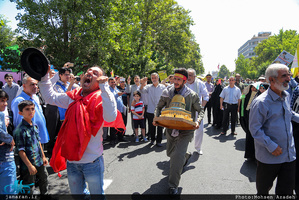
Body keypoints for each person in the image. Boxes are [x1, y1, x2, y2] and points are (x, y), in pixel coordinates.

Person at [39, 65, 119, 194]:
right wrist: (45, 76)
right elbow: (50, 97)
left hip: (92, 162)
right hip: (72, 161)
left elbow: (110, 117)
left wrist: (105, 87)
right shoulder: (73, 97)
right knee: (78, 196)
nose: (89, 73)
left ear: (100, 80)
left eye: (94, 73)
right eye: (88, 72)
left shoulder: (101, 98)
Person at [249, 63, 299, 195]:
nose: (289, 78)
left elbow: (290, 114)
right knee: (263, 192)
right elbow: (255, 129)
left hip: (289, 156)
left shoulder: (286, 96)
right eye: (284, 76)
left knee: (286, 192)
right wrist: (271, 146)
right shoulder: (261, 102)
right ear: (271, 80)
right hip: (269, 157)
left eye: (289, 75)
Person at [154, 68, 204, 194]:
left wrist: (198, 121)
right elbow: (158, 107)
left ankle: (173, 186)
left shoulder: (192, 95)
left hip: (186, 130)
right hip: (170, 128)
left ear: (184, 81)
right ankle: (186, 156)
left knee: (176, 156)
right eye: (174, 78)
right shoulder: (167, 92)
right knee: (170, 154)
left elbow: (201, 110)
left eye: (178, 79)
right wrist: (156, 117)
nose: (175, 81)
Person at [14, 100, 49, 194]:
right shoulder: (20, 130)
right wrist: (29, 166)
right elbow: (21, 151)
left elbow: (38, 142)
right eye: (27, 109)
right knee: (29, 185)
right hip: (28, 164)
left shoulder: (34, 125)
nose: (31, 111)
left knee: (44, 179)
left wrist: (43, 156)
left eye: (33, 109)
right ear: (20, 113)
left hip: (39, 160)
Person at [11, 75, 49, 144]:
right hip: (29, 141)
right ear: (24, 86)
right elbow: (19, 123)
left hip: (39, 138)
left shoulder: (34, 98)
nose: (35, 87)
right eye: (32, 84)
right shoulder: (19, 101)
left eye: (36, 84)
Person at [186, 68, 209, 155]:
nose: (189, 77)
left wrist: (201, 107)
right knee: (185, 129)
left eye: (190, 75)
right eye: (187, 75)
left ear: (195, 76)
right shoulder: (183, 83)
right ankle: (185, 148)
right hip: (186, 110)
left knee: (200, 129)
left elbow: (206, 96)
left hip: (197, 110)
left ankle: (198, 147)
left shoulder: (200, 84)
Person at [140, 73, 166, 147]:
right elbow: (141, 90)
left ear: (158, 78)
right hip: (151, 110)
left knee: (160, 126)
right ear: (151, 79)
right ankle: (152, 140)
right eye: (152, 78)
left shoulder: (163, 87)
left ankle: (159, 141)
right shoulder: (148, 87)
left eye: (155, 77)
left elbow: (167, 96)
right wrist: (142, 83)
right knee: (152, 126)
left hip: (161, 110)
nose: (154, 79)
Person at [0, 90, 17, 194]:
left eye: (6, 101)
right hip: (5, 159)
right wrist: (10, 139)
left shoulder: (2, 115)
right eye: (2, 101)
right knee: (9, 191)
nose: (5, 104)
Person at [108, 77, 126, 145]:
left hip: (120, 109)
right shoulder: (108, 90)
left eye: (114, 82)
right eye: (111, 82)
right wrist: (117, 95)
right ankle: (113, 139)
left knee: (120, 124)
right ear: (109, 83)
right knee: (113, 125)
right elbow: (111, 99)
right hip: (113, 110)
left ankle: (120, 137)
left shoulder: (116, 88)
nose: (113, 83)